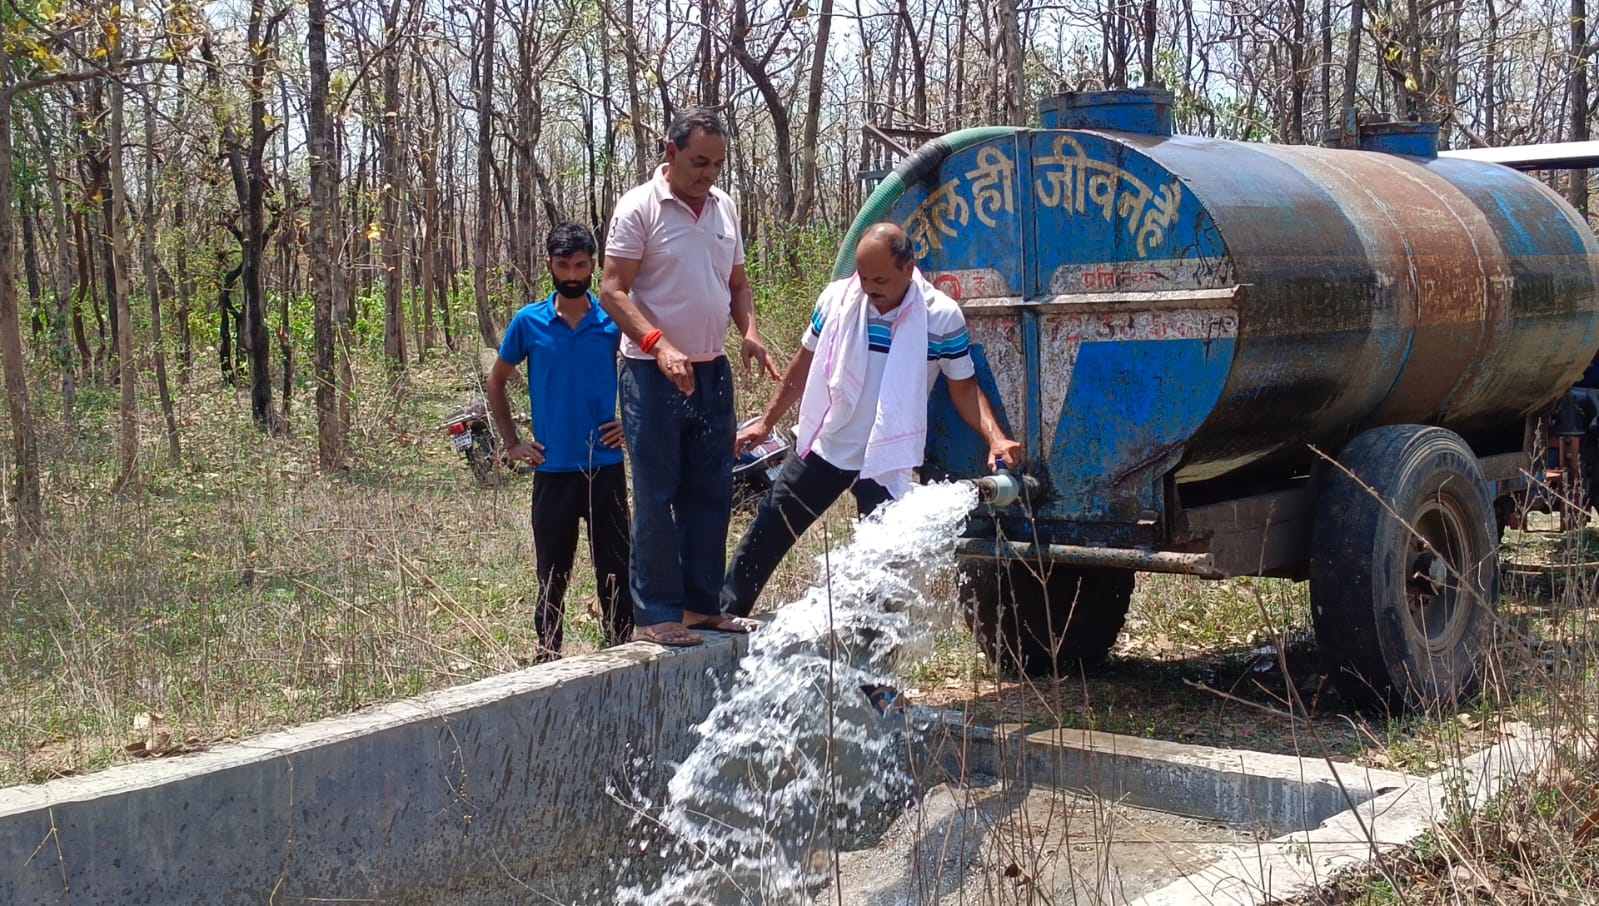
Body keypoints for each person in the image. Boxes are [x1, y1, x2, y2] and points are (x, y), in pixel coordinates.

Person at [720, 223, 1025, 617]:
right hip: (829, 443)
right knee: (768, 533)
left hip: (886, 457)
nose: (869, 288)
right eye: (863, 277)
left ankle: (869, 666)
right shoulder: (837, 300)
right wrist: (766, 422)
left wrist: (996, 438)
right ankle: (724, 620)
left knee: (881, 568)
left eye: (880, 279)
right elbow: (803, 366)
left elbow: (963, 387)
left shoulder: (940, 317)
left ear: (909, 267)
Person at [600, 107, 780, 648]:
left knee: (711, 488)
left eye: (717, 164)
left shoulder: (725, 208)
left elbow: (737, 283)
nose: (709, 174)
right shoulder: (638, 208)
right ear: (670, 151)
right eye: (699, 162)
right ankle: (656, 613)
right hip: (651, 373)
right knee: (657, 491)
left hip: (711, 369)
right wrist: (658, 345)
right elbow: (612, 290)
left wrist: (748, 329)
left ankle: (702, 606)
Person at [487, 222, 632, 659]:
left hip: (604, 466)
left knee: (616, 567)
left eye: (581, 265)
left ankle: (621, 648)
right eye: (563, 265)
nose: (572, 275)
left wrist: (631, 422)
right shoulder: (528, 322)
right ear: (549, 265)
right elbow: (497, 383)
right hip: (551, 470)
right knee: (552, 571)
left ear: (594, 266)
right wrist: (513, 444)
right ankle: (547, 653)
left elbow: (645, 370)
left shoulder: (613, 321)